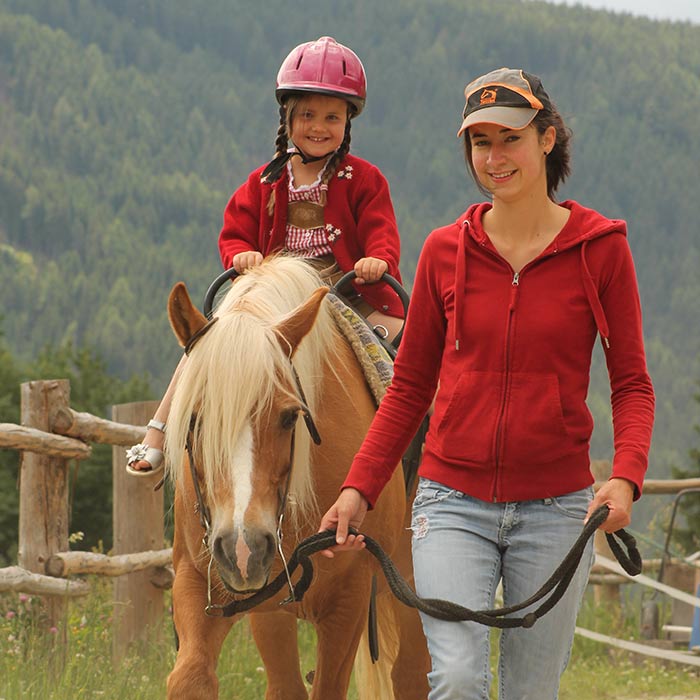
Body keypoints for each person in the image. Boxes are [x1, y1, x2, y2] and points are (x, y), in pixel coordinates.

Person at [318, 67, 655, 698]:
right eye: (480, 143)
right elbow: (410, 386)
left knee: (531, 689)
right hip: (451, 503)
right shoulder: (447, 250)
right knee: (456, 676)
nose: (494, 158)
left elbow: (632, 382)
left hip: (558, 510)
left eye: (510, 139)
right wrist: (359, 487)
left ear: (547, 139)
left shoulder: (601, 250)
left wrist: (627, 474)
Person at [126, 36, 405, 475]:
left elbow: (381, 231)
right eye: (307, 115)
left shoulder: (364, 179)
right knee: (204, 345)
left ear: (348, 121)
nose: (318, 126)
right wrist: (241, 257)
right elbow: (234, 232)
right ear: (287, 118)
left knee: (411, 346)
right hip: (275, 299)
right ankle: (158, 431)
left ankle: (424, 442)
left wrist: (378, 261)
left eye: (332, 117)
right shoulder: (265, 182)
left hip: (348, 294)